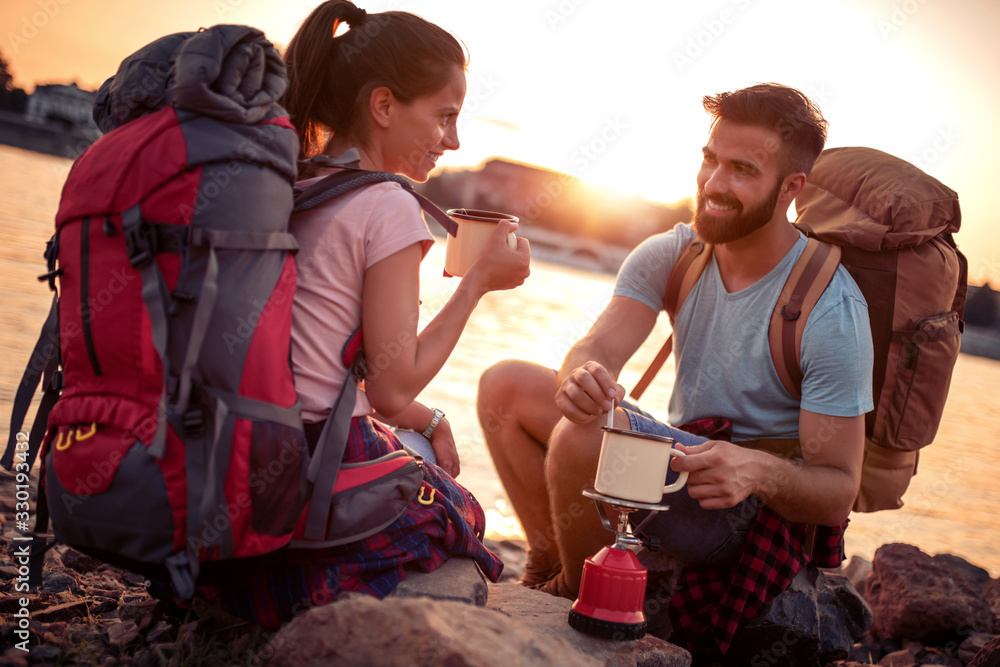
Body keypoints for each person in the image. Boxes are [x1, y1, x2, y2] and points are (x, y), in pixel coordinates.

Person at [477, 83, 873, 660]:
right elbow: (597, 345)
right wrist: (583, 375)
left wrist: (757, 472)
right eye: (710, 159)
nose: (714, 183)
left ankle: (569, 597)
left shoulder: (830, 308)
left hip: (743, 505)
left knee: (589, 440)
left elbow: (838, 490)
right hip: (677, 465)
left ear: (792, 188)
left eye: (742, 169)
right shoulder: (676, 252)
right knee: (506, 386)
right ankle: (551, 561)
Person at [199, 0, 531, 627]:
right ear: (383, 106)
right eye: (444, 116)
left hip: (242, 454)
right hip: (312, 462)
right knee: (460, 511)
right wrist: (477, 284)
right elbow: (391, 380)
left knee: (412, 444)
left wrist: (427, 417)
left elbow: (330, 366)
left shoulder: (295, 181)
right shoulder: (389, 206)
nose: (454, 140)